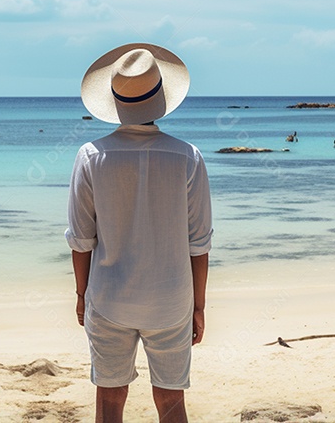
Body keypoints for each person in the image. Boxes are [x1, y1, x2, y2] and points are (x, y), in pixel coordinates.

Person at [66, 43, 213, 423]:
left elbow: (82, 240)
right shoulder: (187, 156)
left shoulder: (91, 155)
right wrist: (198, 306)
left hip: (110, 298)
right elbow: (199, 243)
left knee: (110, 405)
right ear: (160, 98)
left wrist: (82, 295)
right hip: (170, 299)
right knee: (171, 404)